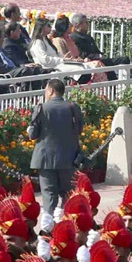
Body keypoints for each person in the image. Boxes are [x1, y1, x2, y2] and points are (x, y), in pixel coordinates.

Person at [28, 76, 83, 213]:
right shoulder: (73, 107)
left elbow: (33, 135)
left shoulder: (41, 108)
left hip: (45, 159)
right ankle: (66, 220)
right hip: (69, 158)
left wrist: (29, 130)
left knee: (49, 194)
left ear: (51, 91)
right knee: (68, 194)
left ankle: (49, 221)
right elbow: (79, 130)